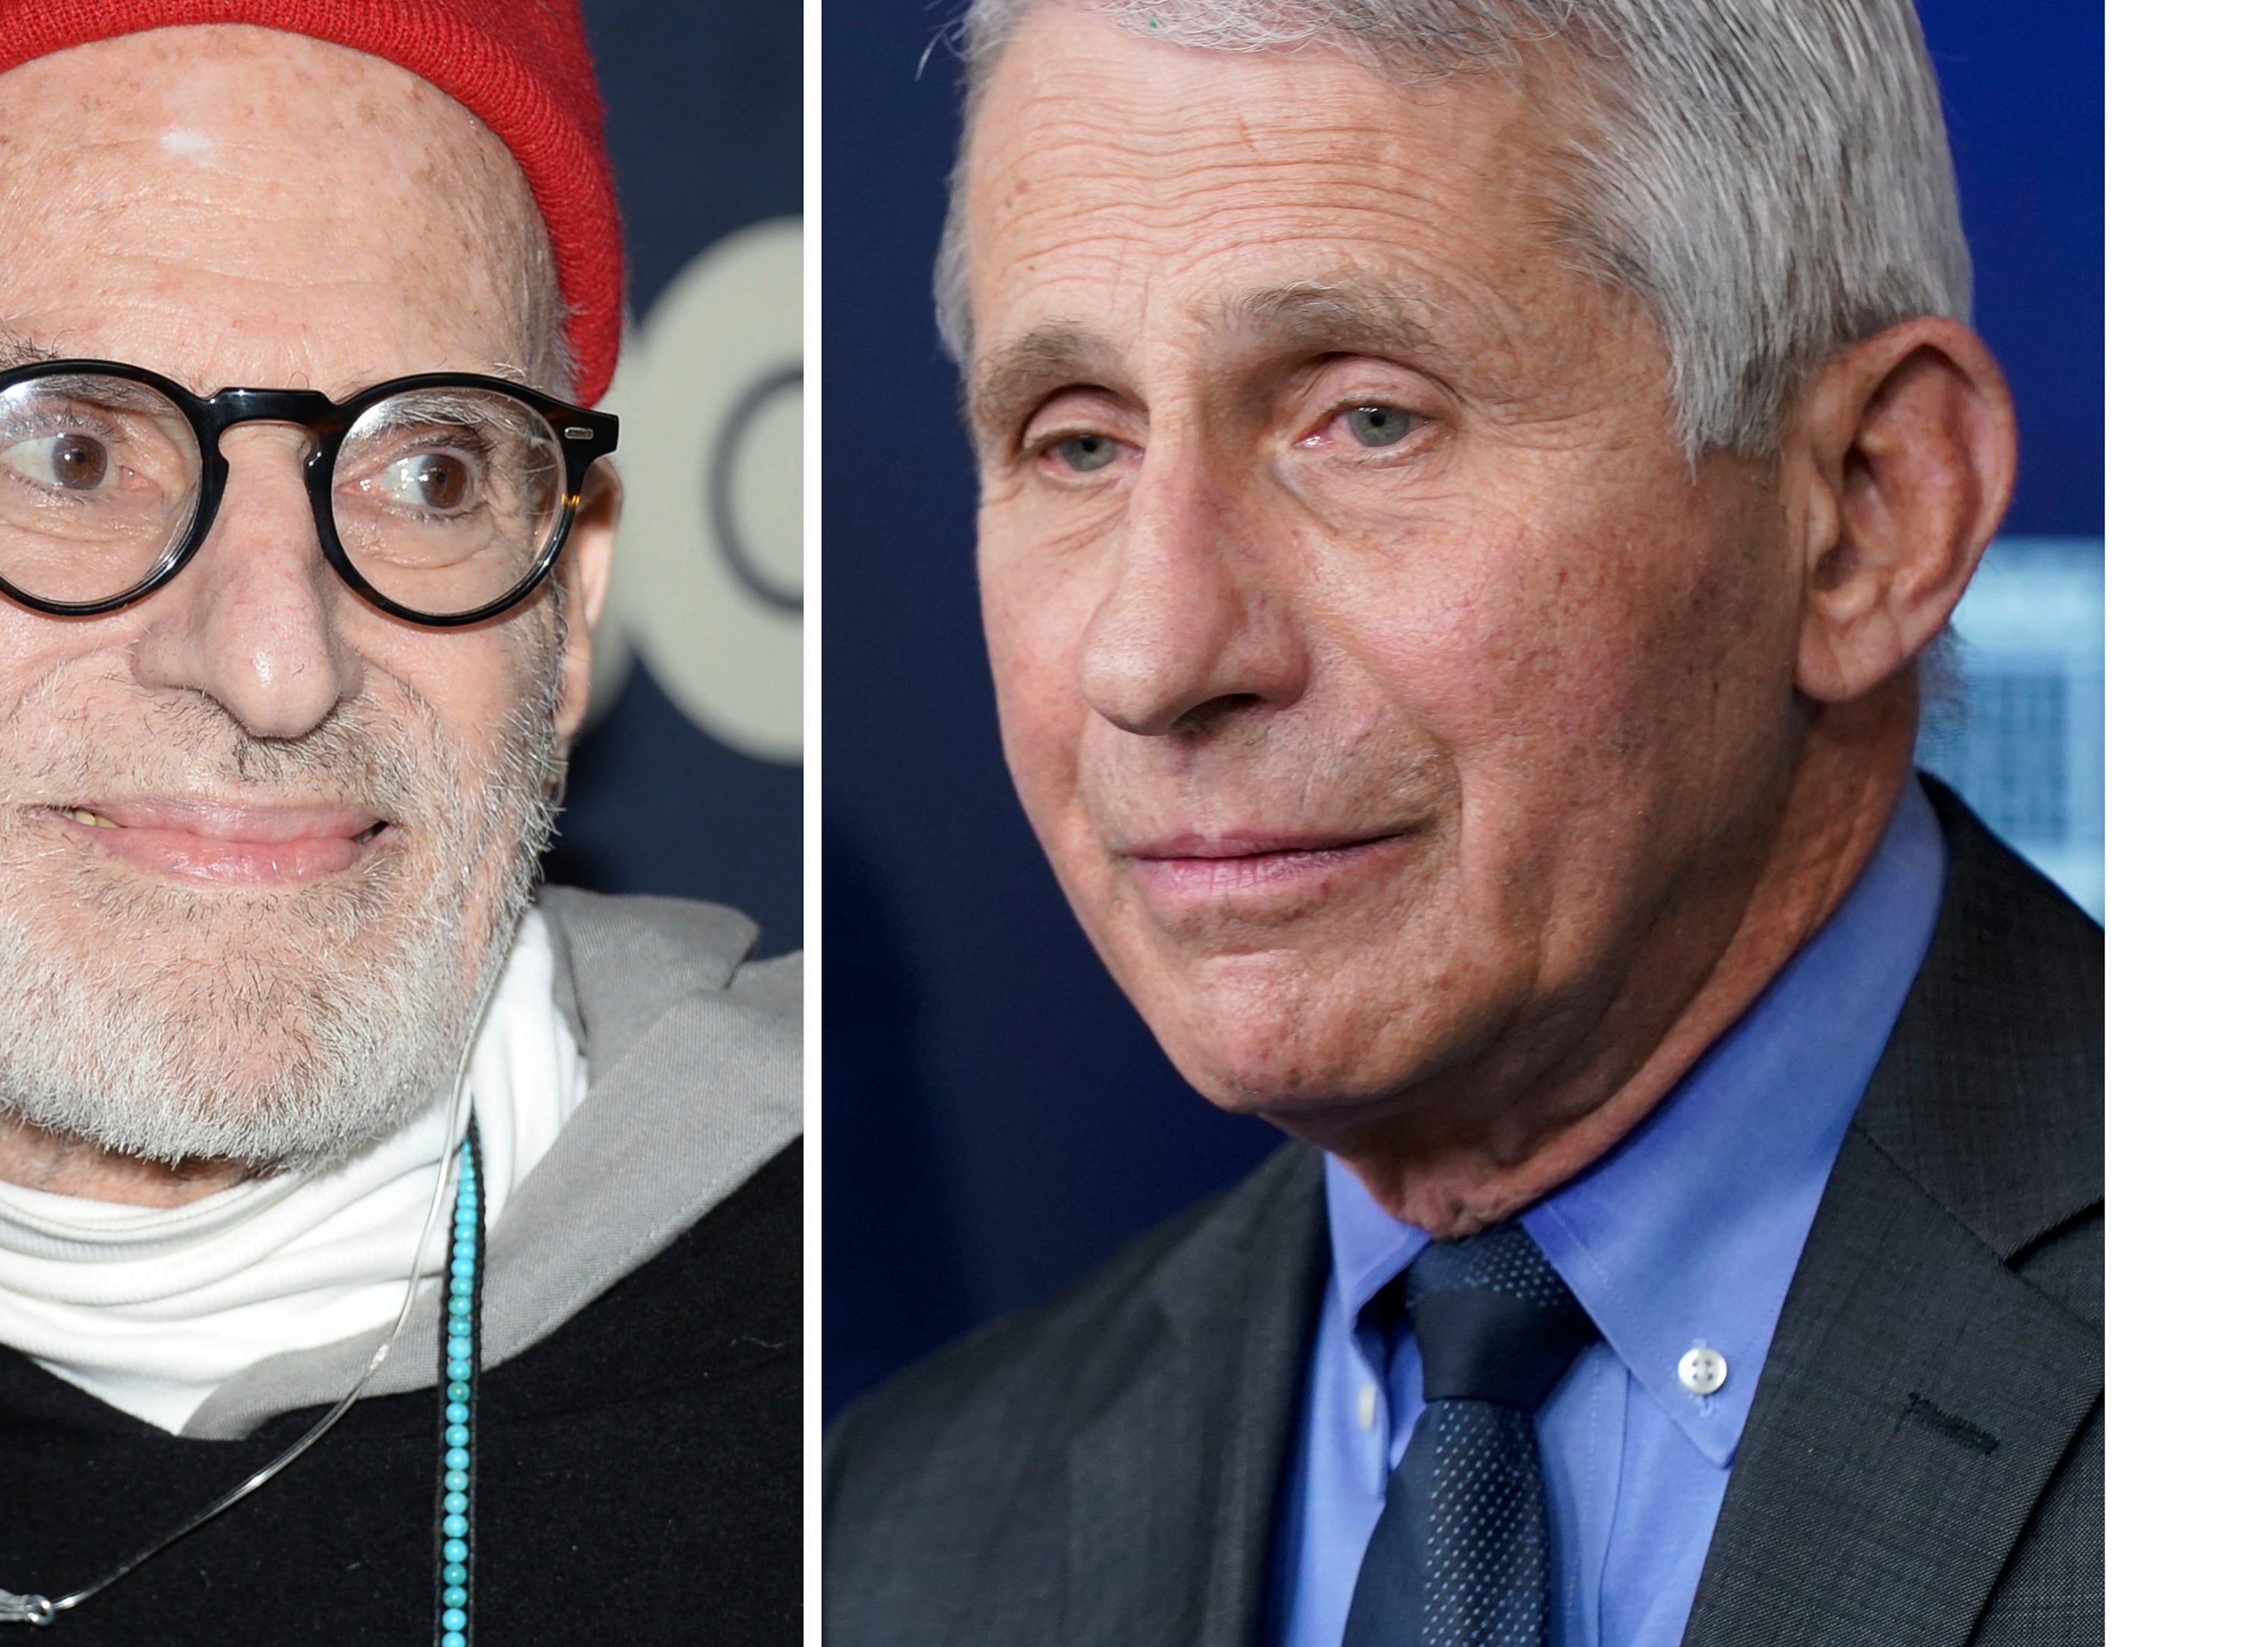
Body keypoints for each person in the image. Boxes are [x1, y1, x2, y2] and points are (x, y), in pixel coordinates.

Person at [0, 4, 801, 1642]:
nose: (276, 663)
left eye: (433, 474)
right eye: (69, 447)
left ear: (571, 608)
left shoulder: (864, 1396)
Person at [824, 2, 2096, 1643]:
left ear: (1866, 510)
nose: (1153, 657)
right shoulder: (909, 1531)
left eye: (1366, 418)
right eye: (1076, 439)